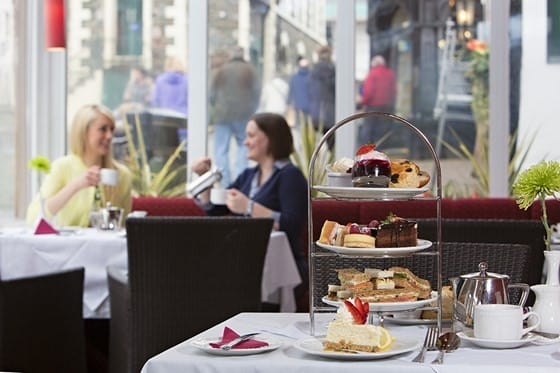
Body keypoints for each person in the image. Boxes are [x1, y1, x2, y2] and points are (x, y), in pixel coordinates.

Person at [191, 112, 308, 298]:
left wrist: (249, 207)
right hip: (244, 263)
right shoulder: (248, 176)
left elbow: (292, 225)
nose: (245, 142)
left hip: (281, 270)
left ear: (271, 138)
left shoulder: (290, 176)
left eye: (251, 135)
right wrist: (204, 178)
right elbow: (214, 210)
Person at [26, 104, 132, 227]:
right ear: (83, 133)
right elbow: (34, 217)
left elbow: (125, 226)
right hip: (69, 245)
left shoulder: (122, 175)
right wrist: (76, 185)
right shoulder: (62, 167)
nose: (109, 136)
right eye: (103, 129)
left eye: (111, 130)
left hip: (106, 245)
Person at [210, 46, 260, 185]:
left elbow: (212, 94)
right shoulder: (250, 70)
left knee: (221, 149)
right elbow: (256, 93)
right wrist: (252, 109)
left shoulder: (221, 71)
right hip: (243, 114)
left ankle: (225, 181)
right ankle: (240, 179)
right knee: (244, 144)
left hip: (222, 114)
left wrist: (216, 107)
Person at [359, 55, 399, 147]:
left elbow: (368, 92)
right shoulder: (390, 74)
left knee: (368, 129)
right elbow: (394, 91)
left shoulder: (372, 74)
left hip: (372, 107)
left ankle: (367, 151)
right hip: (386, 107)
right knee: (382, 131)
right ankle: (380, 151)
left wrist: (363, 102)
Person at [309, 45, 336, 148]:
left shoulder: (313, 71)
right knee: (332, 147)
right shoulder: (333, 71)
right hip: (330, 114)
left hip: (315, 114)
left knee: (316, 149)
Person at [287, 57, 311, 128]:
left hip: (298, 106)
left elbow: (290, 92)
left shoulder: (294, 78)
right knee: (307, 126)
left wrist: (288, 104)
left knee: (299, 126)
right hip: (308, 107)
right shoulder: (311, 77)